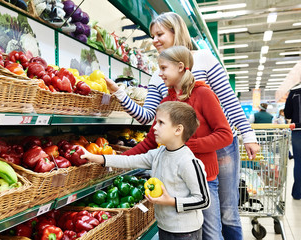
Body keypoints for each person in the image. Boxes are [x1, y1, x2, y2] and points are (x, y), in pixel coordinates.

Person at [105, 12, 260, 240]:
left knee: (227, 212)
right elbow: (148, 117)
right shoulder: (159, 77)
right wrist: (119, 93)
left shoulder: (204, 58)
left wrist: (248, 134)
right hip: (186, 154)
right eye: (152, 36)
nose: (155, 40)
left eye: (160, 34)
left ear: (176, 31)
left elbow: (227, 100)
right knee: (206, 215)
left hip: (220, 146)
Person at [123, 45, 233, 239]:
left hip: (204, 178)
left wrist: (187, 147)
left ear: (181, 66)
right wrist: (119, 159)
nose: (160, 73)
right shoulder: (167, 101)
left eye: (163, 68)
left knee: (212, 234)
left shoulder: (203, 95)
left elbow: (225, 134)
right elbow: (150, 141)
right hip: (173, 182)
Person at [82, 101, 210, 240]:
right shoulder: (159, 153)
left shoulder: (188, 162)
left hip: (186, 232)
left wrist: (171, 201)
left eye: (161, 123)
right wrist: (96, 157)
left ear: (178, 130)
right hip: (164, 226)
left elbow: (204, 200)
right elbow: (129, 161)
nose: (154, 127)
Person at [284, 83, 301, 200]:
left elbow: (288, 114)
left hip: (298, 130)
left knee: (299, 163)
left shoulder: (294, 92)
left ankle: (297, 193)